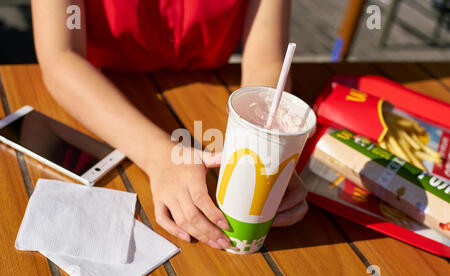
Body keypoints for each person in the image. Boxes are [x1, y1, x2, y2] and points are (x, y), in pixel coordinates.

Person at [32, 0, 309, 250]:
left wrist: (267, 142)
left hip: (209, 104)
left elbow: (266, 59)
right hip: (98, 107)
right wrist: (159, 156)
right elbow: (61, 58)